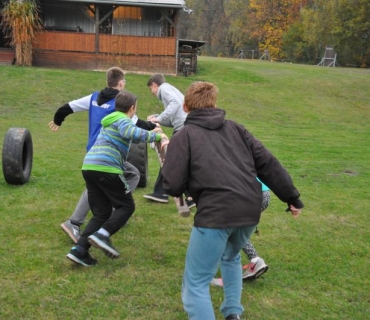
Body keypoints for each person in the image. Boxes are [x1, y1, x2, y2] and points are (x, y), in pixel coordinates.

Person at [161, 81, 304, 320]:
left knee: (195, 283)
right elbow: (269, 163)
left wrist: (174, 169)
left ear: (185, 107)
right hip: (249, 209)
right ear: (214, 104)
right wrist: (292, 197)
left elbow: (173, 185)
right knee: (231, 256)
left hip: (217, 215)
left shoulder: (186, 135)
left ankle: (231, 312)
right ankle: (232, 313)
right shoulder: (236, 129)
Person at [48, 67, 157, 243]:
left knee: (118, 178)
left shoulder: (93, 98)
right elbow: (138, 125)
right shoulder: (120, 105)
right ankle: (77, 222)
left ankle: (110, 214)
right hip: (108, 152)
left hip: (93, 150)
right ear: (121, 83)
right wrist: (155, 127)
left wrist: (57, 120)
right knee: (117, 179)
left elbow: (67, 107)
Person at [66, 90, 168, 267]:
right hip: (107, 169)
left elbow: (130, 133)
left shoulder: (110, 120)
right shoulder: (123, 120)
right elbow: (132, 133)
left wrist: (150, 128)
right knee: (126, 206)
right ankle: (102, 235)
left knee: (102, 213)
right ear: (133, 108)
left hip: (89, 167)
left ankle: (79, 250)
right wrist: (158, 135)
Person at [143, 73, 194, 208]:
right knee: (171, 159)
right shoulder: (170, 90)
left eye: (151, 89)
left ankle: (186, 195)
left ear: (154, 84)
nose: (152, 93)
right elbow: (172, 117)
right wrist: (157, 118)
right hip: (183, 126)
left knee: (173, 160)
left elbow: (175, 104)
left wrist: (158, 118)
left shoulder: (164, 88)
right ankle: (162, 192)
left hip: (183, 127)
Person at [211, 179, 270, 288]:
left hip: (248, 193)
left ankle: (230, 278)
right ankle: (255, 260)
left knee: (230, 230)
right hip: (262, 193)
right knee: (234, 229)